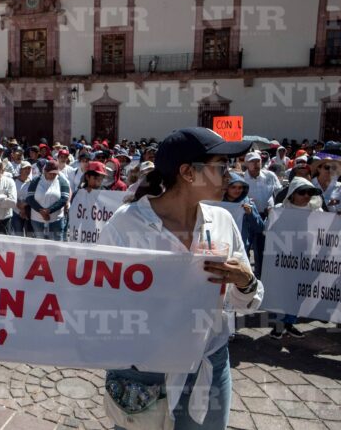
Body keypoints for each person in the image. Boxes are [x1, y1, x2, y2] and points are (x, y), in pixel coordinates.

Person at [98, 127, 261, 430]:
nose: (229, 176)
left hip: (209, 363)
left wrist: (244, 282)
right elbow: (99, 297)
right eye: (221, 167)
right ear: (187, 172)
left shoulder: (223, 222)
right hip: (144, 370)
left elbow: (245, 301)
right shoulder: (127, 224)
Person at [270, 177, 324, 339]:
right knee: (283, 294)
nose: (306, 196)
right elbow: (270, 231)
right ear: (292, 194)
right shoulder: (280, 209)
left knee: (299, 294)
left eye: (310, 192)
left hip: (308, 261)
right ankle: (278, 326)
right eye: (302, 192)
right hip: (285, 261)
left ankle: (289, 323)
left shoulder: (317, 211)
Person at [242, 151, 282, 278]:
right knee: (245, 247)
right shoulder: (242, 179)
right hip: (248, 217)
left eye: (258, 161)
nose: (256, 164)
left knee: (262, 249)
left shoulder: (270, 175)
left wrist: (275, 207)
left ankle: (261, 277)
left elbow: (279, 193)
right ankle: (245, 277)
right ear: (246, 164)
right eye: (252, 162)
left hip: (266, 216)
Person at [26, 160, 70, 241]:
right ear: (45, 171)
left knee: (57, 242)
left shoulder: (62, 181)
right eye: (51, 173)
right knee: (40, 242)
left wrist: (49, 211)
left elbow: (64, 199)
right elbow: (30, 198)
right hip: (37, 219)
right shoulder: (35, 181)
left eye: (55, 173)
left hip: (56, 219)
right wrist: (41, 211)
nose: (53, 175)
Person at [12, 161, 33, 236]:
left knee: (29, 236)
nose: (27, 170)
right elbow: (11, 196)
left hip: (28, 212)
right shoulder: (13, 181)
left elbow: (32, 197)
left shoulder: (32, 182)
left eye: (29, 168)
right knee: (18, 235)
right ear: (20, 170)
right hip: (16, 211)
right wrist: (20, 208)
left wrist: (24, 209)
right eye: (25, 168)